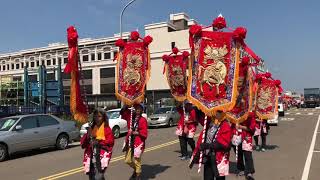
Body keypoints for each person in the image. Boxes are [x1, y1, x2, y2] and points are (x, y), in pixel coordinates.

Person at [190, 110, 232, 180]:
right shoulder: (209, 121)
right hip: (208, 156)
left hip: (219, 158)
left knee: (219, 178)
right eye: (216, 111)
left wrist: (207, 145)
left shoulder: (225, 125)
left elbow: (224, 144)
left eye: (219, 112)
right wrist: (198, 108)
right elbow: (198, 116)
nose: (216, 113)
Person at [80, 108, 115, 180]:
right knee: (92, 177)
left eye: (99, 116)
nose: (97, 118)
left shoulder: (107, 129)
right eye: (95, 116)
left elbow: (110, 142)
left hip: (101, 157)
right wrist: (88, 135)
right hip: (91, 156)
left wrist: (98, 142)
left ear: (103, 117)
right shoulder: (91, 128)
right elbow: (83, 144)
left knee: (98, 177)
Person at [120, 104, 148, 180]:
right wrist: (126, 105)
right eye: (136, 108)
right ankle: (136, 169)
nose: (137, 110)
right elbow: (123, 113)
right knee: (127, 160)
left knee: (137, 160)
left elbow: (145, 134)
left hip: (138, 142)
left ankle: (138, 175)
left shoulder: (143, 120)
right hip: (129, 141)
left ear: (142, 110)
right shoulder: (131, 116)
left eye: (139, 108)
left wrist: (136, 133)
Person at [232, 112, 256, 180]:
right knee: (238, 154)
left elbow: (251, 129)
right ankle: (241, 169)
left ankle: (249, 172)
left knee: (248, 155)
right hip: (236, 137)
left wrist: (241, 127)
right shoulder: (235, 114)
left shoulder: (250, 115)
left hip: (246, 138)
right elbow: (232, 126)